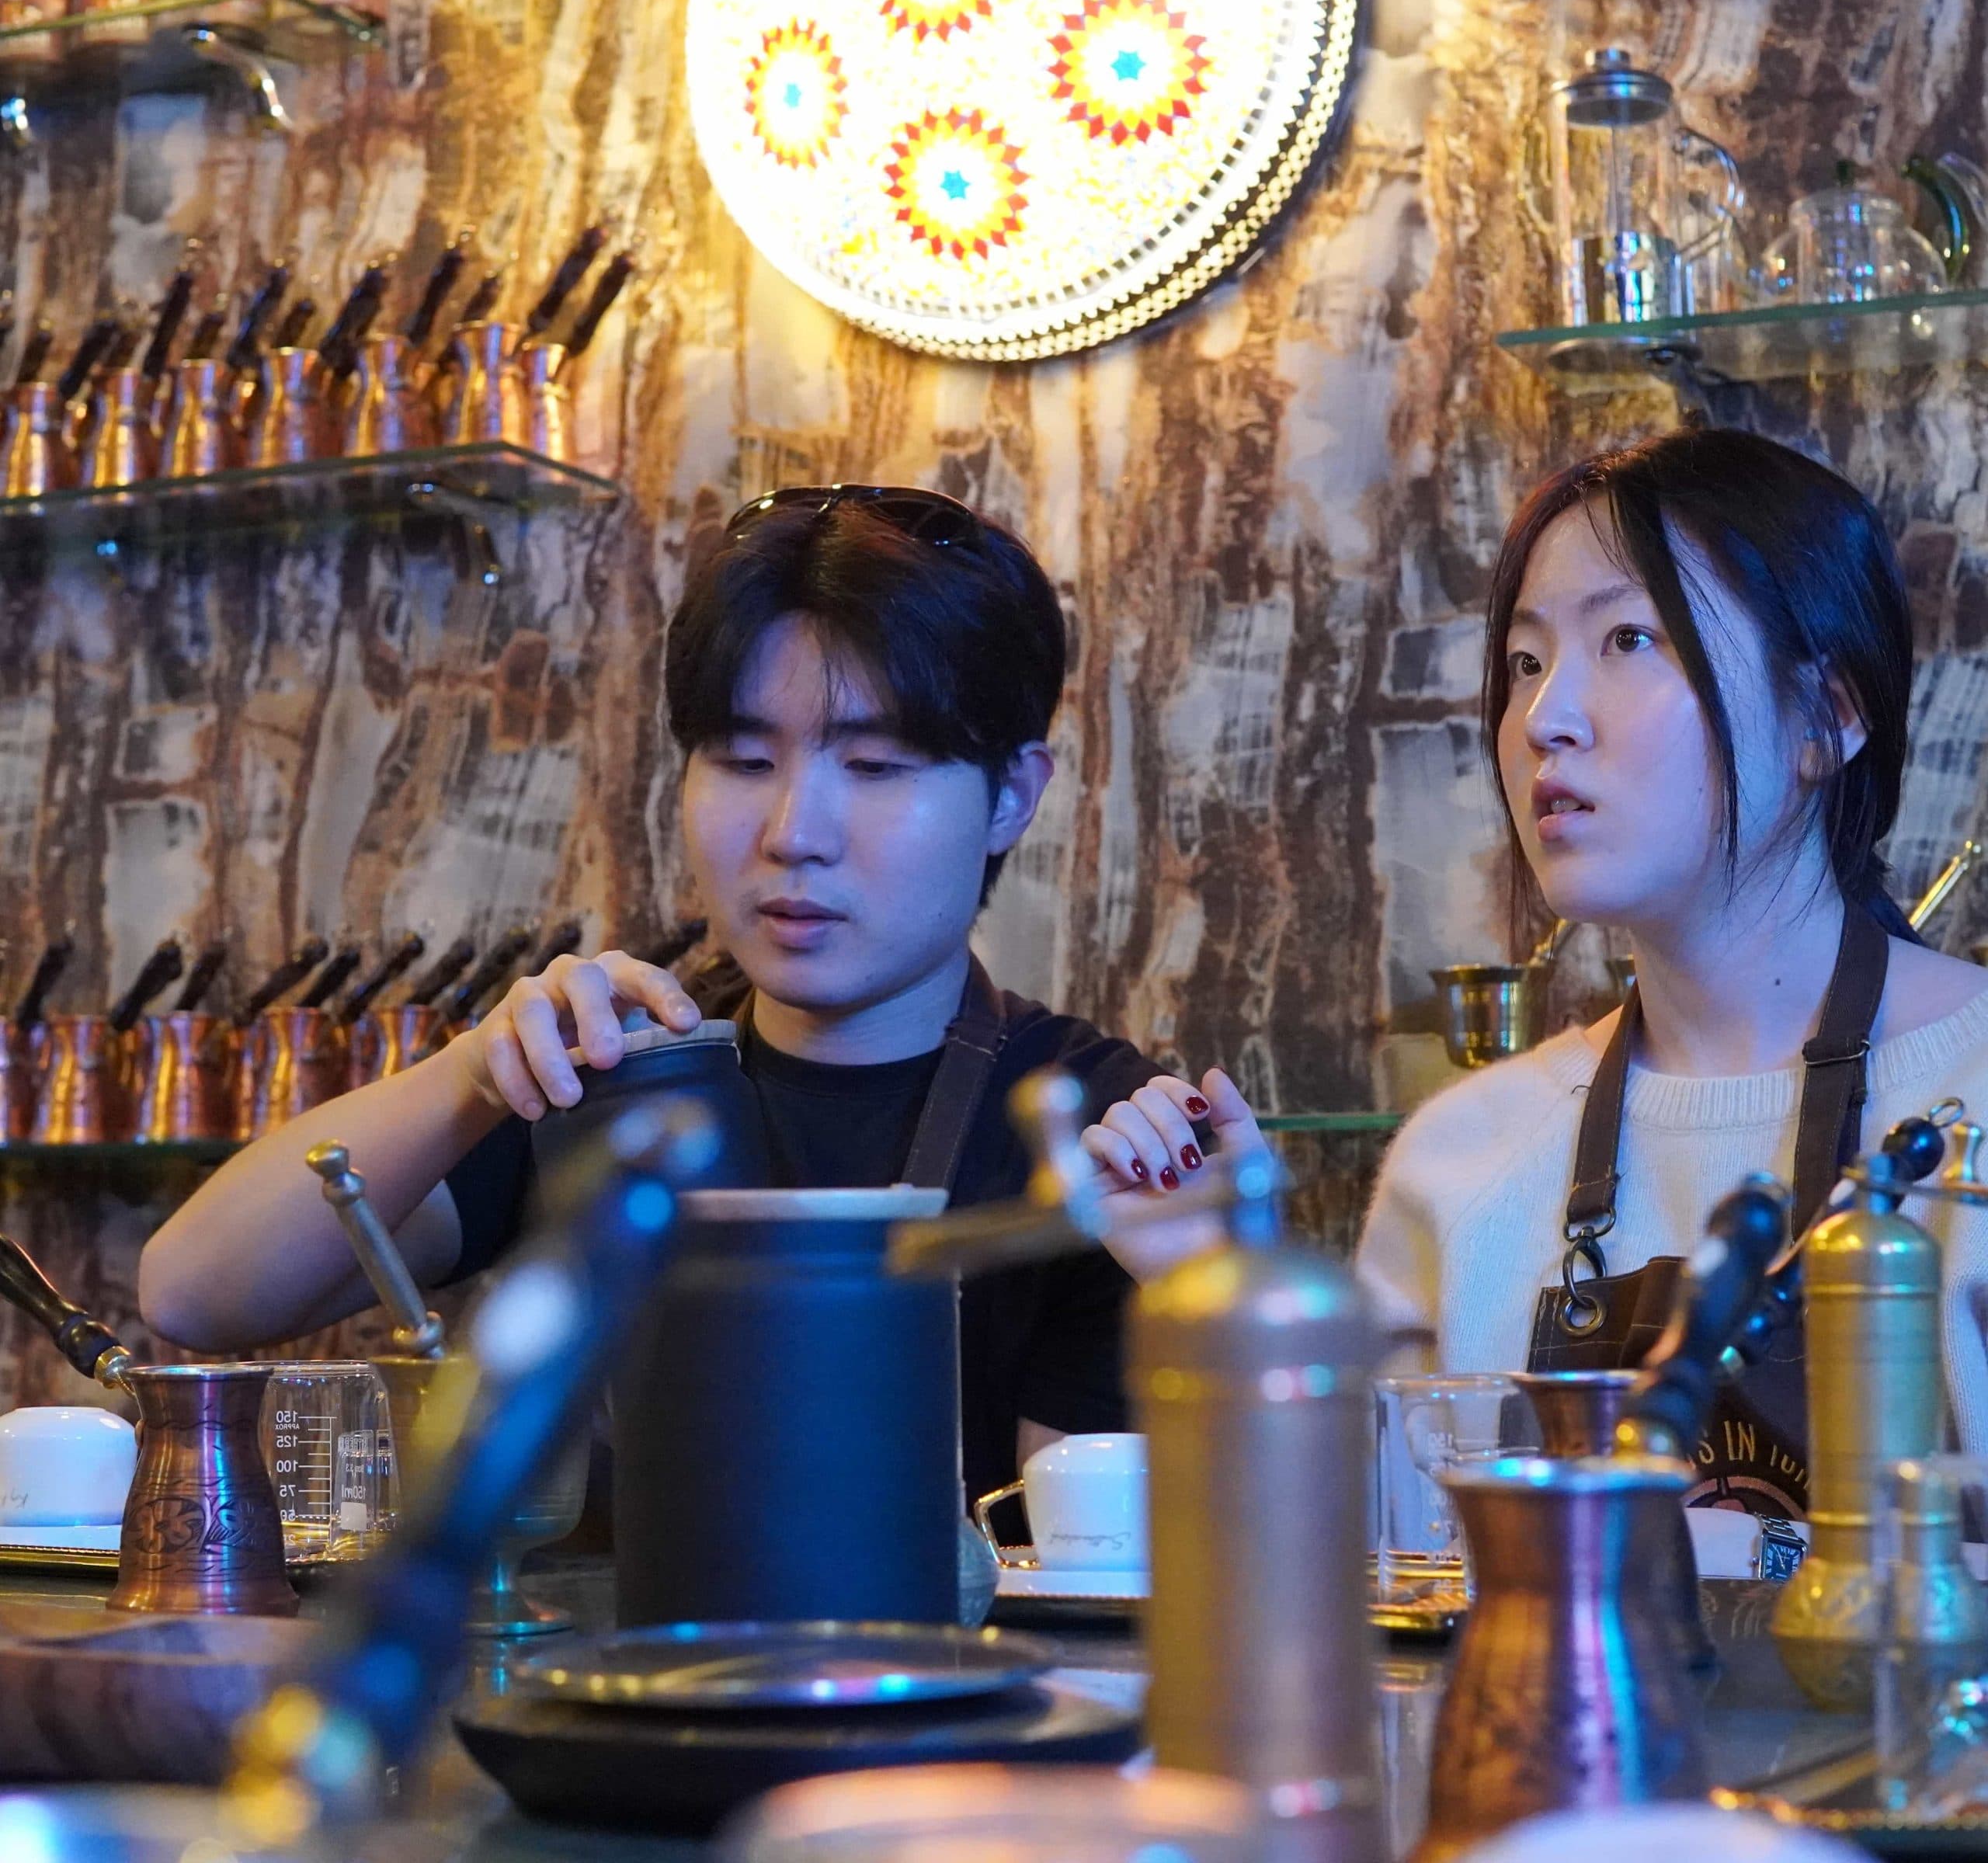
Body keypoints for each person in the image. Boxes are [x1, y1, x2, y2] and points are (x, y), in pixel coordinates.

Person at [139, 483, 1261, 1508]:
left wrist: (1202, 1299)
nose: (793, 835)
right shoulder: (613, 1079)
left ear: (1011, 795)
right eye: (742, 758)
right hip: (610, 1702)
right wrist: (475, 1074)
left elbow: (1093, 1594)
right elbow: (196, 1297)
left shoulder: (1101, 1137)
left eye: (875, 768)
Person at [1356, 427, 1988, 1519]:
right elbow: (1393, 1629)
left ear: (1828, 716)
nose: (1545, 718)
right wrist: (1215, 1285)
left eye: (1631, 640)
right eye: (1524, 660)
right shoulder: (1461, 1161)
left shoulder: (1969, 1102)